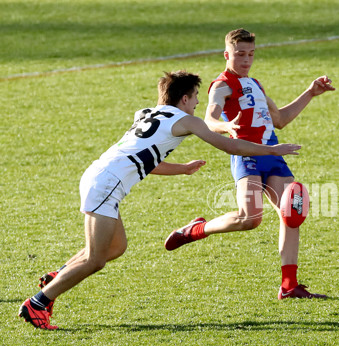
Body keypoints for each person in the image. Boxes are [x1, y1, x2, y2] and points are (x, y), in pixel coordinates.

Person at [19, 70, 302, 329]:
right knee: (95, 258)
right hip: (106, 184)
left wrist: (181, 168)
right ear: (184, 98)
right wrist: (271, 150)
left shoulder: (145, 113)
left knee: (116, 247)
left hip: (98, 176)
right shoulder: (186, 120)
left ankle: (61, 275)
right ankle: (38, 303)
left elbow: (144, 159)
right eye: (194, 100)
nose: (195, 107)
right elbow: (228, 145)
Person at [164, 28, 335, 299]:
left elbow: (279, 119)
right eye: (240, 54)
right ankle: (195, 230)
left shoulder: (256, 84)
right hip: (246, 154)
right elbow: (209, 117)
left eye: (251, 54)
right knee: (249, 218)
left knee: (291, 213)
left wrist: (310, 93)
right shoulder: (222, 85)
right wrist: (225, 126)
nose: (246, 59)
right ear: (227, 54)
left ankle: (289, 286)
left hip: (274, 155)